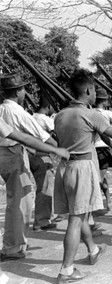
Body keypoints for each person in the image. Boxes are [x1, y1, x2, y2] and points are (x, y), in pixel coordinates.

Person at [53, 69, 112, 283]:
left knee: (80, 213)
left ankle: (93, 250)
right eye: (95, 90)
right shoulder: (91, 115)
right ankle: (66, 271)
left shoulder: (60, 115)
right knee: (76, 219)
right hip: (82, 167)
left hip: (64, 167)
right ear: (88, 90)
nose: (96, 94)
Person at [0, 74, 65, 262]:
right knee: (22, 202)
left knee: (16, 200)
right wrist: (61, 149)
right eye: (23, 89)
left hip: (6, 154)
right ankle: (12, 247)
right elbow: (42, 135)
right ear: (19, 91)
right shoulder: (17, 111)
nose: (24, 92)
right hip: (13, 154)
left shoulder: (2, 109)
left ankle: (15, 243)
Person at [30, 96, 59, 231]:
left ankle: (46, 216)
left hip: (31, 155)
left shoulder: (31, 117)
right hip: (42, 156)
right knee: (45, 188)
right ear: (48, 107)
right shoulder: (46, 120)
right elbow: (56, 135)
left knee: (39, 188)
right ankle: (41, 221)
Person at [94, 88, 112, 211]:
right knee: (99, 179)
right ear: (105, 101)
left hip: (92, 149)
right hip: (102, 148)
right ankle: (95, 205)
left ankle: (109, 200)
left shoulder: (90, 112)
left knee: (101, 176)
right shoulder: (107, 114)